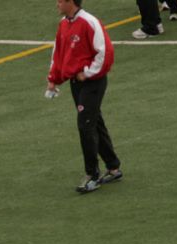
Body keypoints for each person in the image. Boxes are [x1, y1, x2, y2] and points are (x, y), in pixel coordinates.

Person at [46, 0, 123, 194]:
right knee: (94, 121)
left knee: (85, 125)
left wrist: (87, 73)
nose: (57, 4)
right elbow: (59, 54)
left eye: (60, 1)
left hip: (92, 83)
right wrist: (53, 79)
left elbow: (105, 53)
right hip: (76, 83)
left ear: (71, 2)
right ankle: (113, 167)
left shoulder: (90, 22)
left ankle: (92, 175)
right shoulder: (64, 24)